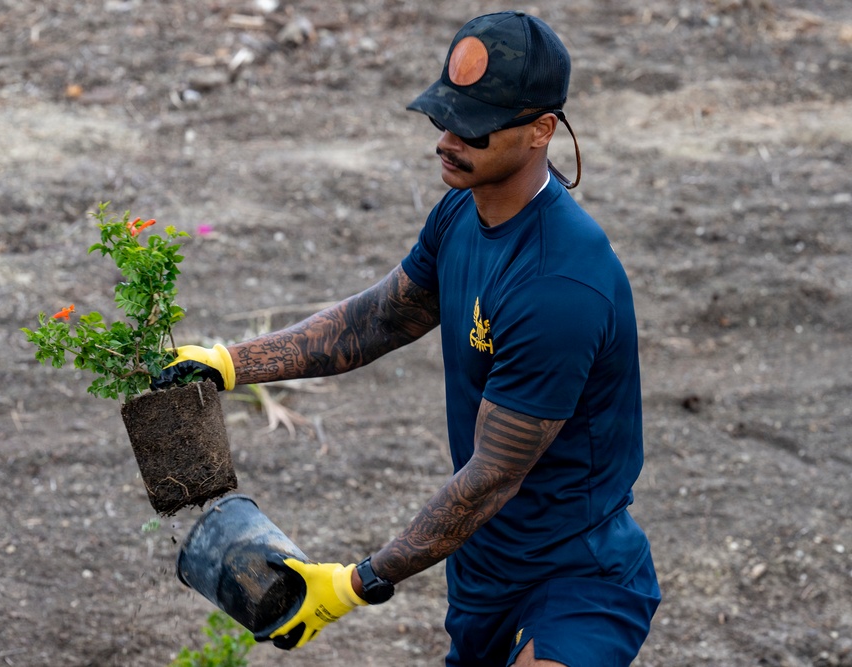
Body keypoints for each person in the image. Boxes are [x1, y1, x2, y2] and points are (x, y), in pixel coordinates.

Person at [155, 11, 660, 667]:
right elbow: (379, 319)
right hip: (484, 568)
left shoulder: (558, 286)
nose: (448, 140)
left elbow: (492, 478)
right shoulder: (461, 211)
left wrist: (354, 583)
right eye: (444, 117)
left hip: (577, 573)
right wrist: (226, 363)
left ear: (542, 130)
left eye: (473, 127)